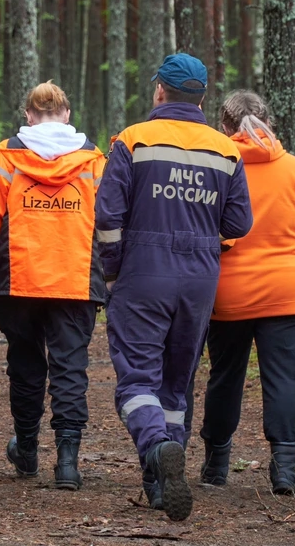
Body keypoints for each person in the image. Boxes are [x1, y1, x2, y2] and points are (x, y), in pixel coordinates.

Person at [95, 54, 254, 521]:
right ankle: (162, 483)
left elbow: (108, 217)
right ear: (202, 99)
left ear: (159, 92)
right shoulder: (226, 150)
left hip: (142, 273)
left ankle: (156, 449)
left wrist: (112, 269)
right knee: (176, 383)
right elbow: (239, 222)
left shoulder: (132, 140)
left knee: (136, 381)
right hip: (200, 278)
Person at [0, 81, 106, 491]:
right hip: (74, 279)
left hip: (19, 280)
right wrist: (113, 273)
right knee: (70, 368)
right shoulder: (93, 160)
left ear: (29, 115)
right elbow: (109, 222)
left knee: (25, 365)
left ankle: (26, 450)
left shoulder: (8, 155)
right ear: (67, 114)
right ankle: (68, 462)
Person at [196, 90, 295, 496]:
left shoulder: (217, 168)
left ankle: (216, 465)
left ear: (225, 127)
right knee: (285, 379)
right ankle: (284, 471)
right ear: (269, 122)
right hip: (289, 290)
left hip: (229, 293)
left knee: (225, 377)